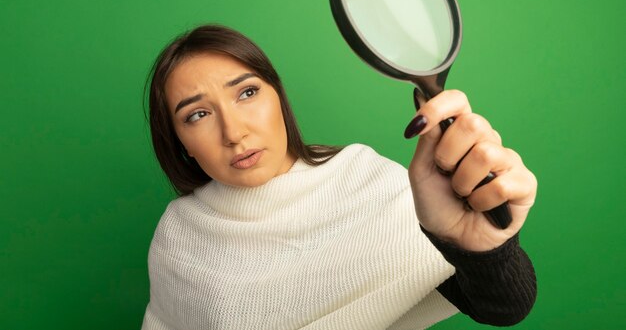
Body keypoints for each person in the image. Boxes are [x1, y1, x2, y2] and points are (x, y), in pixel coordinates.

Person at [141, 24, 537, 330]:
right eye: (197, 115)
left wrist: (486, 249)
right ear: (180, 143)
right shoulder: (179, 237)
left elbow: (502, 305)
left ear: (278, 96)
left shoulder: (366, 181)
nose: (233, 132)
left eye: (247, 93)